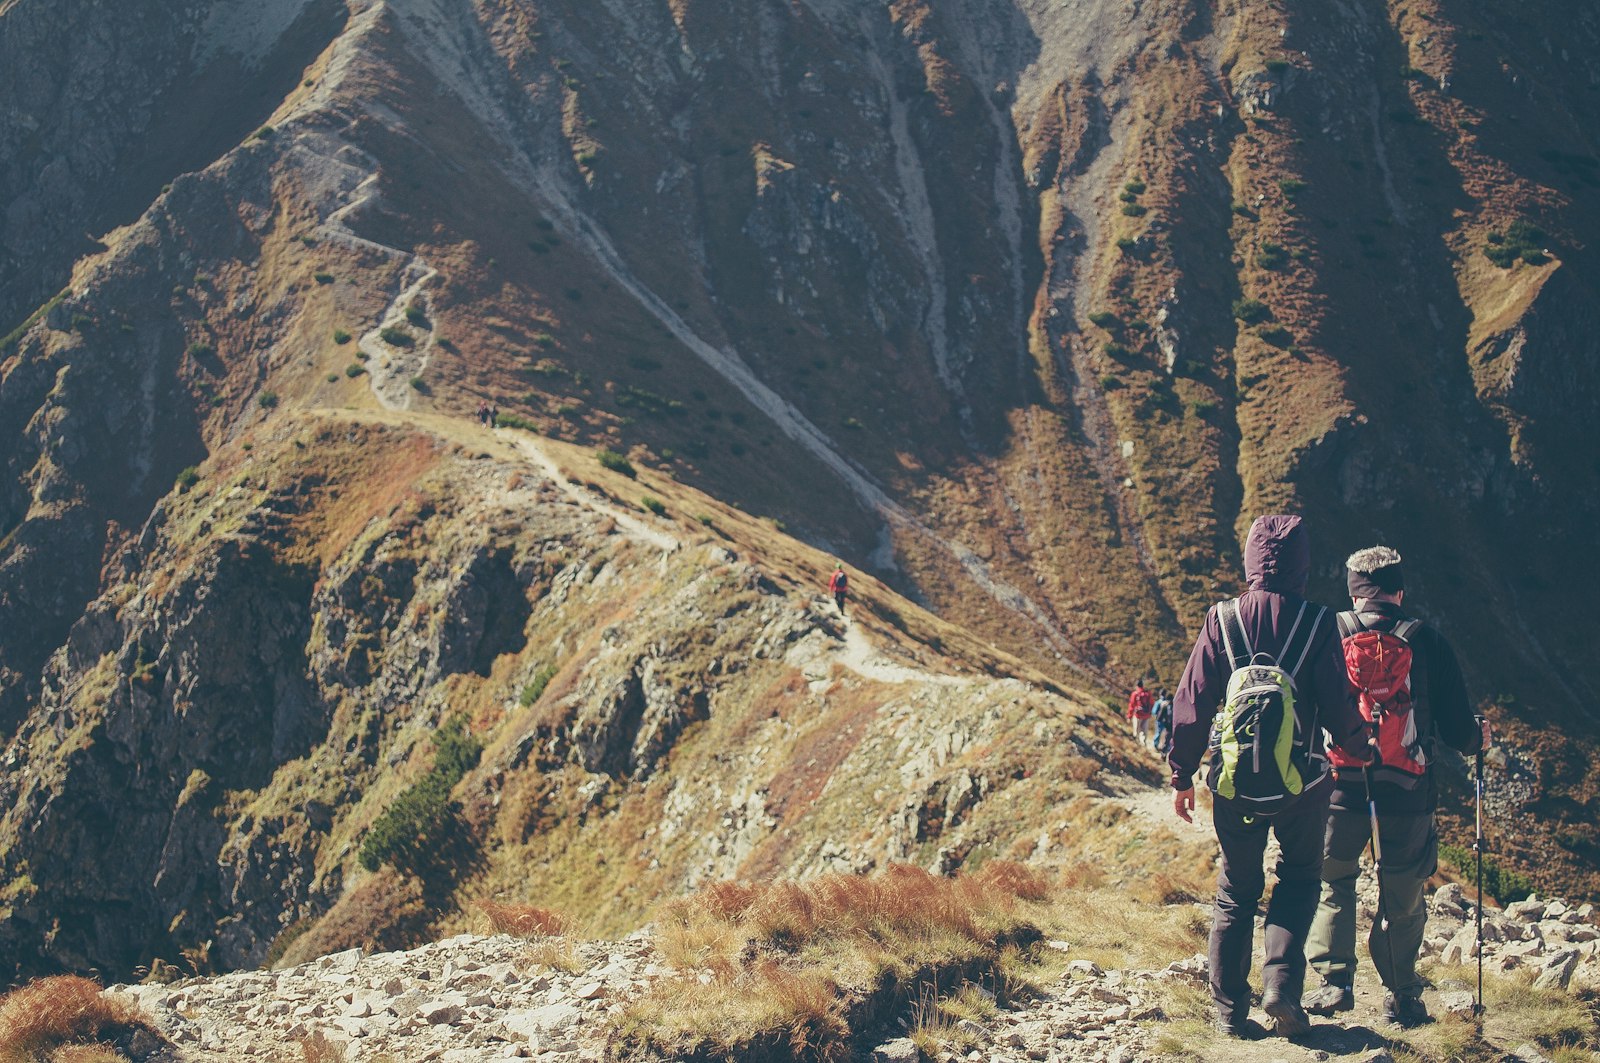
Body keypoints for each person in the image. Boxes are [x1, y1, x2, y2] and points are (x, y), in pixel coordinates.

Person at [1169, 514, 1371, 1039]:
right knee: (1300, 878)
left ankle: (1231, 1010)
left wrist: (1182, 774)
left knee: (1237, 889)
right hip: (1302, 786)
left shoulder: (1222, 619)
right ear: (1303, 564)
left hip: (1234, 784)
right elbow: (1337, 702)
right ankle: (1281, 985)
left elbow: (1190, 702)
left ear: (1251, 560)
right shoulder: (1318, 621)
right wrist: (1358, 745)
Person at [1304, 546, 1490, 1028]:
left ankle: (1334, 982)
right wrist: (1478, 735)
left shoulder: (1327, 633)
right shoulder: (1428, 641)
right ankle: (1402, 995)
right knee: (1402, 893)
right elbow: (1455, 732)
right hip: (1408, 793)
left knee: (1332, 881)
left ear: (1352, 591)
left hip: (1338, 787)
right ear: (1399, 592)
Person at [1127, 680, 1155, 747]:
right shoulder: (1148, 694)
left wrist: (1129, 716)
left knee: (1136, 728)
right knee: (1144, 730)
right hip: (1146, 715)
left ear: (1136, 686)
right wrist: (1150, 713)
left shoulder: (1135, 694)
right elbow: (1152, 703)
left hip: (1137, 715)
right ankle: (1143, 742)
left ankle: (1136, 742)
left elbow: (1132, 705)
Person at [1152, 688, 1174, 755]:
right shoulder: (1171, 705)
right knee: (1165, 736)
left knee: (1159, 733)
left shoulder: (1161, 703)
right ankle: (1163, 748)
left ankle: (1157, 746)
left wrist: (1158, 719)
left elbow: (1155, 712)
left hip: (1162, 721)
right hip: (1168, 723)